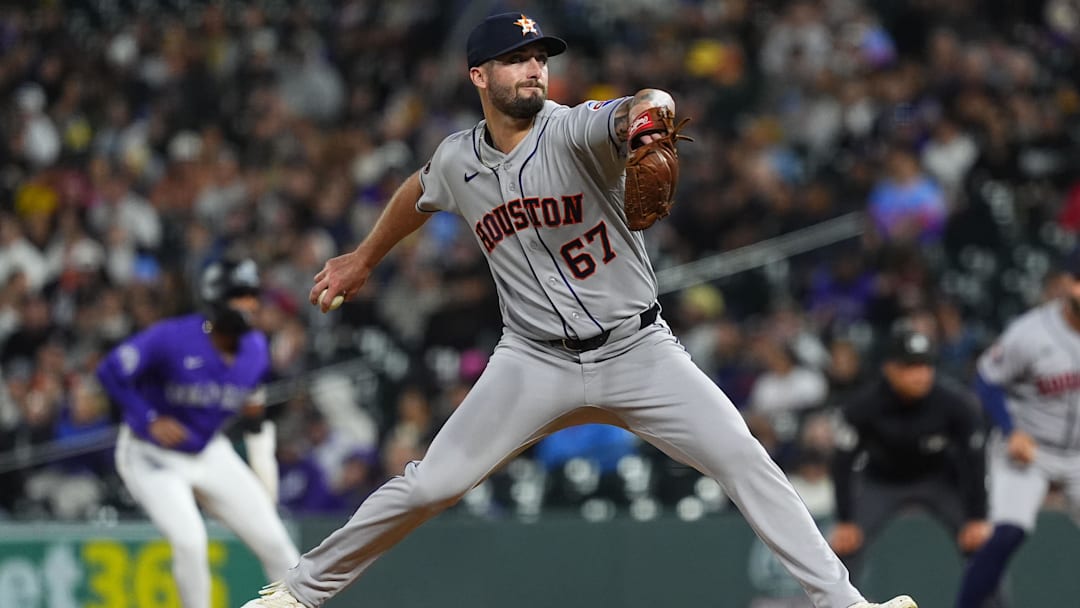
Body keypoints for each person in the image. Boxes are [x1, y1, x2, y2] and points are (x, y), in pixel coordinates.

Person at [242, 12, 916, 608]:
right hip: (533, 361)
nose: (534, 68)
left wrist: (650, 123)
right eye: (517, 59)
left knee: (743, 457)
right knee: (428, 487)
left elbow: (642, 104)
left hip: (638, 352)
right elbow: (416, 192)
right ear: (479, 75)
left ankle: (846, 605)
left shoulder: (575, 131)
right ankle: (297, 593)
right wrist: (363, 258)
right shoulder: (457, 160)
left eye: (540, 57)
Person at [96, 256, 299, 608]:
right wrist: (148, 417)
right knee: (190, 541)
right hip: (150, 454)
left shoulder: (256, 351)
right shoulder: (173, 337)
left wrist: (264, 483)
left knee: (281, 549)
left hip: (208, 450)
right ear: (217, 299)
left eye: (253, 296)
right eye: (241, 296)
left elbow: (255, 420)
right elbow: (110, 370)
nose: (250, 304)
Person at [955, 263, 1080, 607]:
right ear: (1067, 284)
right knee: (1006, 534)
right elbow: (985, 380)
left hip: (1077, 454)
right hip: (1030, 449)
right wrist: (1011, 431)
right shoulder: (1031, 333)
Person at [829, 326, 990, 584]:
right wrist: (845, 519)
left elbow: (973, 459)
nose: (920, 375)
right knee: (845, 546)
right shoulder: (863, 406)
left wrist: (977, 517)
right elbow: (841, 463)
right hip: (881, 481)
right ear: (889, 368)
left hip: (938, 479)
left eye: (925, 365)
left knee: (981, 546)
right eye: (910, 366)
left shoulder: (955, 404)